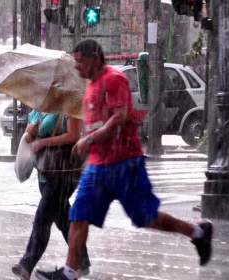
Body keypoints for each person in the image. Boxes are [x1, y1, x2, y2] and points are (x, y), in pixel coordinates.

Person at [35, 39, 213, 280]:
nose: (76, 66)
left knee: (146, 218)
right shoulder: (89, 88)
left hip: (124, 162)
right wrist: (87, 151)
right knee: (78, 213)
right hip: (97, 166)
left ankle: (197, 232)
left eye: (80, 60)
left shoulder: (114, 80)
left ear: (95, 58)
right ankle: (69, 271)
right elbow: (95, 124)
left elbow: (119, 117)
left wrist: (89, 139)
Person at [12, 110, 91, 280]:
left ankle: (26, 264)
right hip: (44, 172)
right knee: (63, 218)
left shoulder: (68, 107)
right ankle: (82, 262)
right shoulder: (35, 111)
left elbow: (74, 135)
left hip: (64, 171)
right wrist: (29, 134)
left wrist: (43, 142)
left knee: (42, 218)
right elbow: (29, 140)